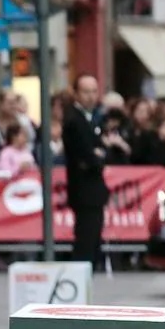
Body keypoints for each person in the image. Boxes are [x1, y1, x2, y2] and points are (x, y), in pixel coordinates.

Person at [61, 74, 109, 272]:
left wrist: (98, 154)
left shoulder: (91, 119)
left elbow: (100, 151)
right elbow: (88, 156)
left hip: (92, 190)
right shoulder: (75, 120)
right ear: (76, 93)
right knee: (85, 240)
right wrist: (97, 156)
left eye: (93, 91)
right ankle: (78, 281)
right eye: (85, 91)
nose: (90, 96)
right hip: (84, 191)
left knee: (92, 240)